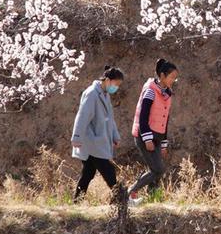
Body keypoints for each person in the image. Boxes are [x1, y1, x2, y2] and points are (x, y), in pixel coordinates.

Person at [70, 66, 126, 202]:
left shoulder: (104, 94)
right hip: (92, 140)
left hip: (97, 140)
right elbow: (82, 116)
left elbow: (110, 119)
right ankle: (123, 200)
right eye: (116, 84)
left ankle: (77, 201)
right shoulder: (92, 94)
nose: (116, 88)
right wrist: (76, 137)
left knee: (88, 173)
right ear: (107, 80)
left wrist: (115, 136)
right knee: (109, 171)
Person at [128, 58, 178, 206]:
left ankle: (152, 200)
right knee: (158, 169)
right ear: (162, 76)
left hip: (158, 136)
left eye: (175, 78)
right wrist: (148, 139)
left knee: (157, 172)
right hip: (145, 136)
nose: (173, 80)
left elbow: (165, 120)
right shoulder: (150, 91)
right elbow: (143, 117)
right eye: (172, 77)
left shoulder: (167, 94)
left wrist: (163, 143)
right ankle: (129, 192)